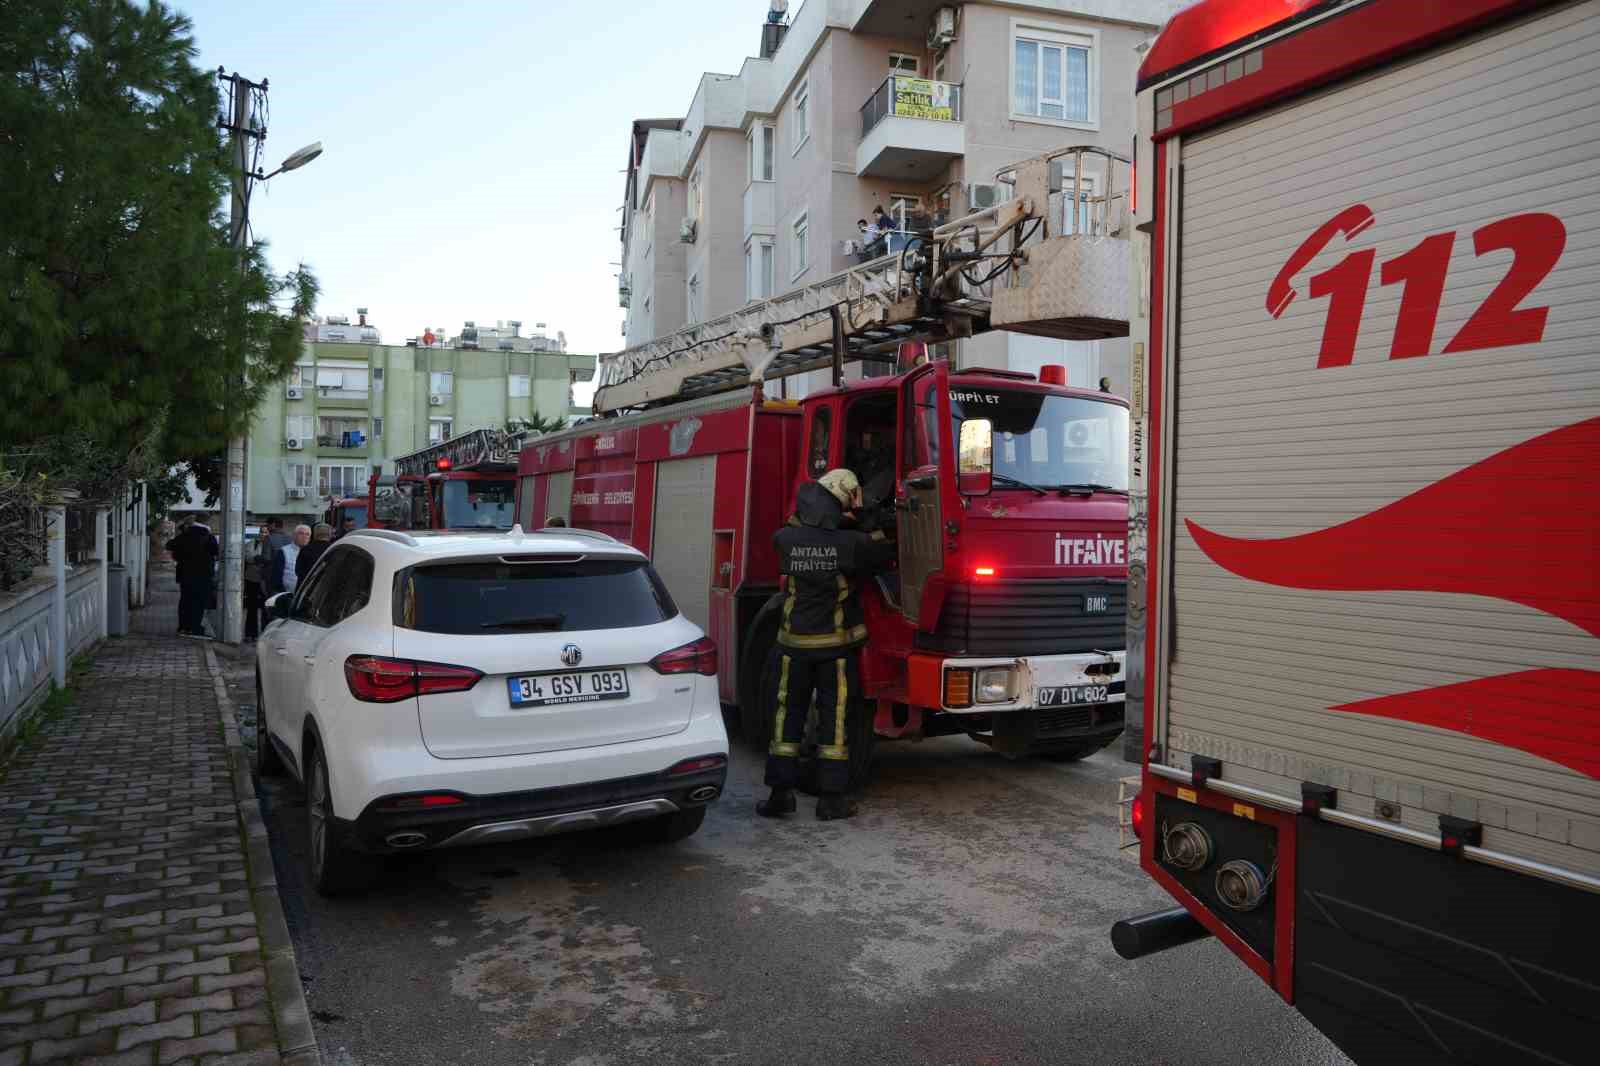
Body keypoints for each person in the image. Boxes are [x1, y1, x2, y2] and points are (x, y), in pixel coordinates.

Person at [758, 468, 894, 821]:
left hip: (792, 646)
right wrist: (865, 520)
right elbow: (882, 554)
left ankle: (779, 796)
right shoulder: (849, 545)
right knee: (834, 722)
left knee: (786, 719)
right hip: (834, 651)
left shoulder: (785, 539)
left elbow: (787, 530)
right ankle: (831, 799)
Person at [165, 516, 218, 637]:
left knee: (185, 600)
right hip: (203, 575)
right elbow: (216, 550)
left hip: (185, 575)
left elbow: (170, 545)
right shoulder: (208, 537)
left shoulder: (184, 536)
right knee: (198, 602)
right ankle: (195, 627)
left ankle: (183, 627)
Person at [271, 524, 310, 597]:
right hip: (287, 595)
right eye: (301, 533)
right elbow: (277, 576)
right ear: (294, 535)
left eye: (307, 534)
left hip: (305, 596)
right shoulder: (284, 551)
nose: (304, 536)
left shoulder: (312, 552)